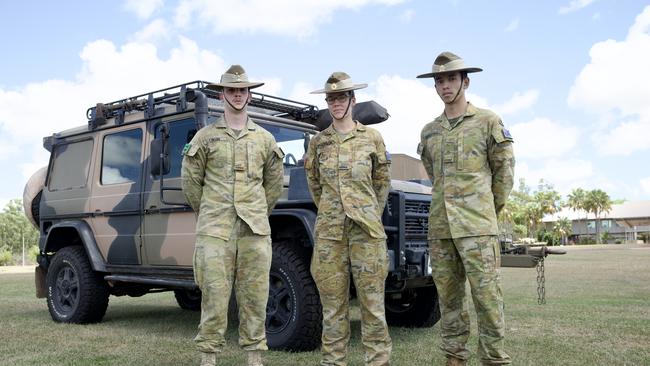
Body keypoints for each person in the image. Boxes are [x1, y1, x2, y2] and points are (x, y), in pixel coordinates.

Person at [416, 52, 515, 366]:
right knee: (449, 300)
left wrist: (486, 212)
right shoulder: (429, 131)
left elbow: (504, 174)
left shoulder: (488, 121)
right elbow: (434, 175)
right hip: (442, 229)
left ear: (465, 82)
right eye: (440, 80)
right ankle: (454, 358)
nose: (445, 86)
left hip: (477, 229)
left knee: (487, 299)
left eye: (451, 79)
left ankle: (494, 360)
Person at [181, 65, 284, 366]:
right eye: (231, 91)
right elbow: (190, 182)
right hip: (215, 230)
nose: (237, 95)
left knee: (255, 296)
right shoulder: (205, 137)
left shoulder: (264, 139)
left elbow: (274, 183)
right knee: (213, 294)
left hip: (254, 230)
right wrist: (210, 211)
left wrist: (257, 212)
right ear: (222, 94)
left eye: (242, 90)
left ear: (249, 94)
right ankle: (208, 357)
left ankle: (254, 357)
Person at [304, 72, 392, 366]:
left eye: (341, 97)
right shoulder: (318, 143)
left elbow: (381, 183)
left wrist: (366, 212)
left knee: (372, 307)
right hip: (330, 236)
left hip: (367, 233)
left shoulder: (372, 138)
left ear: (353, 100)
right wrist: (333, 212)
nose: (336, 103)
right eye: (331, 98)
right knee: (333, 309)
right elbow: (315, 185)